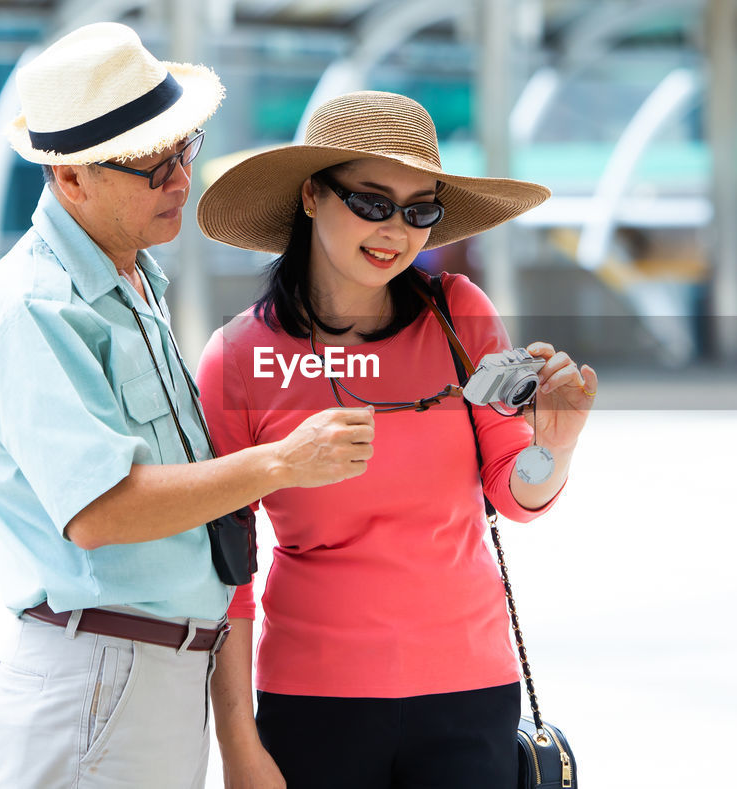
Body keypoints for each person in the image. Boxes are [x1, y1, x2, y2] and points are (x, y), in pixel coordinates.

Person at [0, 23, 376, 788]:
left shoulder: (133, 285)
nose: (182, 180)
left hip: (146, 673)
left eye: (184, 150)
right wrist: (282, 461)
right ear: (71, 177)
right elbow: (101, 509)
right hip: (99, 672)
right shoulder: (35, 307)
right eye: (154, 167)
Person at [194, 90, 597, 789]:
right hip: (313, 704)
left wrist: (554, 447)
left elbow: (516, 490)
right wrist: (237, 743)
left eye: (420, 210)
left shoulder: (461, 316)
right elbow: (225, 572)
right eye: (373, 202)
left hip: (470, 694)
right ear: (313, 196)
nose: (396, 231)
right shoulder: (236, 359)